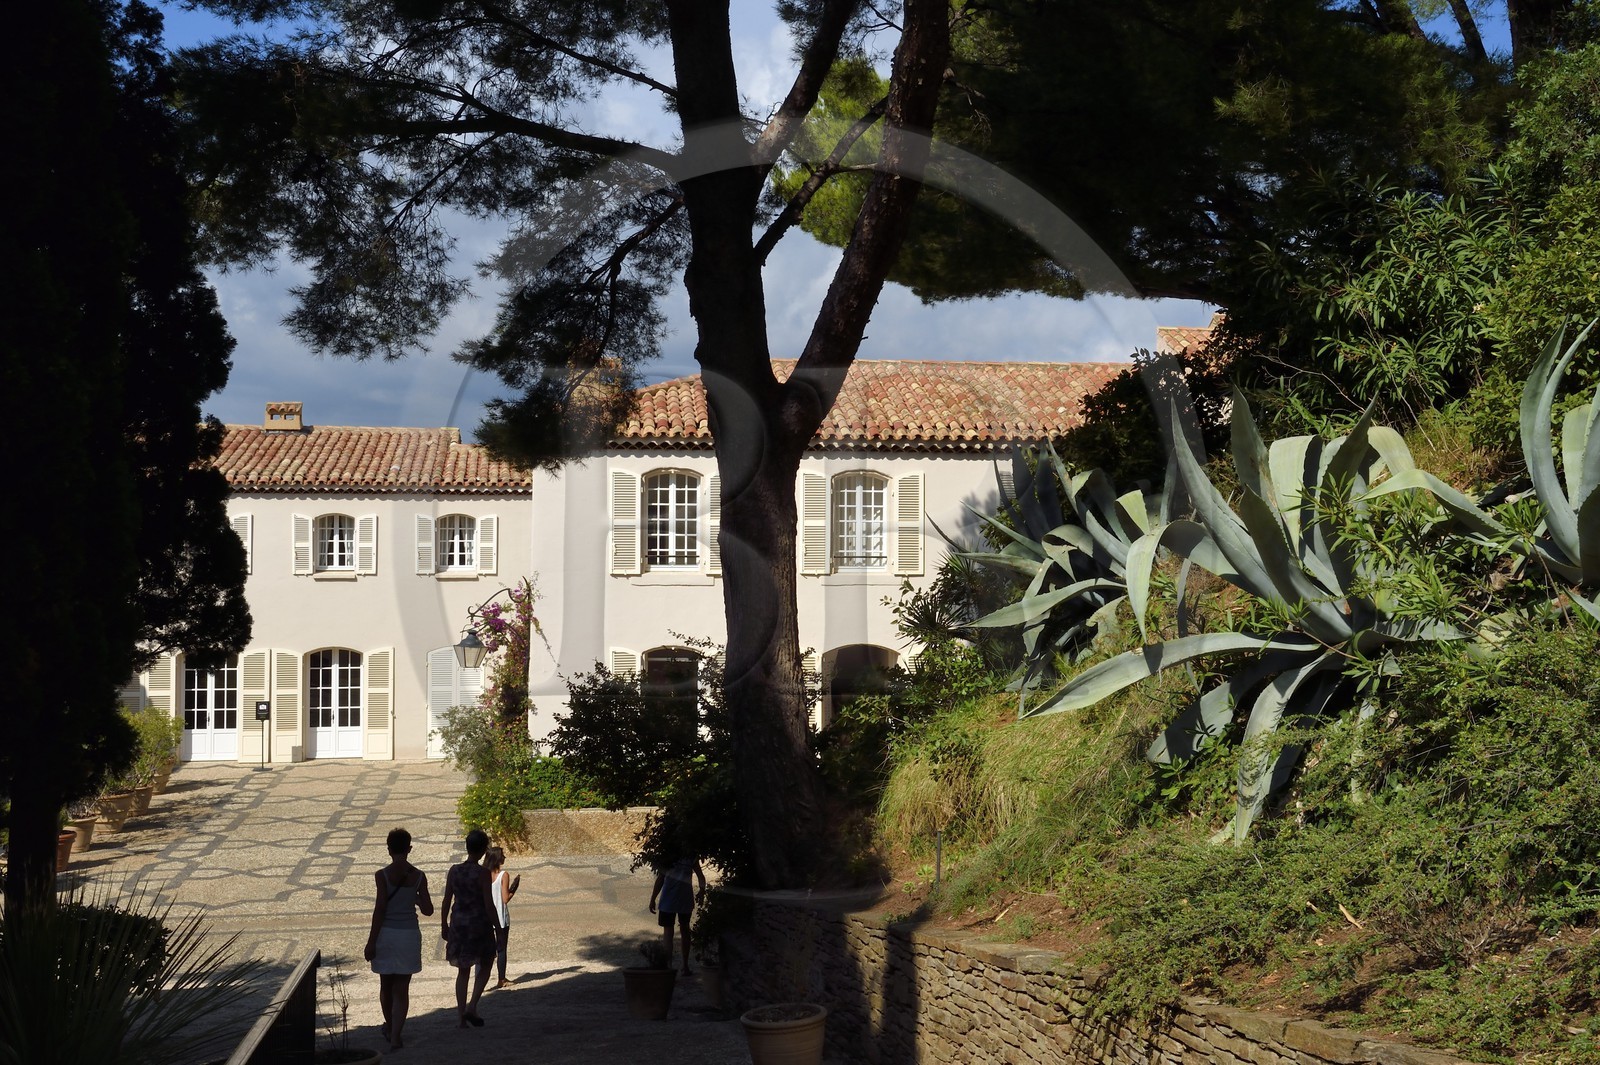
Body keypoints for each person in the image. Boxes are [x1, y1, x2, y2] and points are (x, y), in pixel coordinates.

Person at [363, 827, 434, 1051]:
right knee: (402, 989)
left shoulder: (382, 875)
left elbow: (380, 909)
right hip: (408, 934)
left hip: (386, 934)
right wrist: (413, 897)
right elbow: (428, 910)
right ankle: (396, 1036)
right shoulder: (419, 876)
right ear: (409, 848)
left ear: (388, 849)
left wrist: (371, 941)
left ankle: (390, 1026)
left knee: (385, 986)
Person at [440, 828, 500, 1027]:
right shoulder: (482, 873)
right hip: (478, 924)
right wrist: (498, 928)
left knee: (462, 970)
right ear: (483, 850)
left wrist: (444, 924)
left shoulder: (454, 870)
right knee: (487, 961)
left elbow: (447, 899)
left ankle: (460, 1018)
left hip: (458, 923)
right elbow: (489, 904)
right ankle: (472, 1005)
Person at [648, 852, 706, 975]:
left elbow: (660, 879)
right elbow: (701, 877)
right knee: (685, 929)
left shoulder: (668, 856)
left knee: (668, 933)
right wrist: (701, 892)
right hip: (685, 899)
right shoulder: (691, 856)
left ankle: (669, 967)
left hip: (668, 899)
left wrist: (653, 898)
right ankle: (685, 966)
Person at [486, 846, 520, 988]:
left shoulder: (484, 874)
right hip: (500, 917)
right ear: (497, 858)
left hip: (486, 917)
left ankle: (480, 980)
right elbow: (505, 899)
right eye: (503, 855)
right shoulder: (503, 875)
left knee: (486, 950)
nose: (504, 857)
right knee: (501, 949)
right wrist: (514, 888)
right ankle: (501, 979)